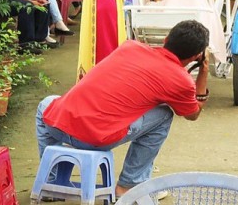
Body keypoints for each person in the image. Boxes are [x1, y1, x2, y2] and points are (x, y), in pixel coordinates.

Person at [37, 20, 211, 198]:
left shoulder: (130, 47)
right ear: (196, 56)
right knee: (164, 114)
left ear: (166, 39)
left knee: (48, 102)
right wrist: (203, 73)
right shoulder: (181, 80)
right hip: (94, 138)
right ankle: (130, 185)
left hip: (57, 124)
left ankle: (51, 182)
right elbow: (192, 114)